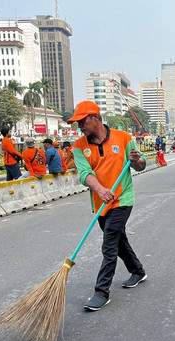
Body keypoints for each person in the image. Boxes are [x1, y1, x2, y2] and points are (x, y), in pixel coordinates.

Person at [68, 100, 147, 311]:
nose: (79, 127)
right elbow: (85, 174)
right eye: (77, 123)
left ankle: (102, 292)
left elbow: (141, 165)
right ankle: (138, 271)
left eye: (82, 121)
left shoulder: (123, 138)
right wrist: (101, 190)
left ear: (95, 118)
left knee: (109, 242)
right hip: (101, 203)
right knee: (119, 240)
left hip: (122, 199)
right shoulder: (79, 146)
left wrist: (137, 159)